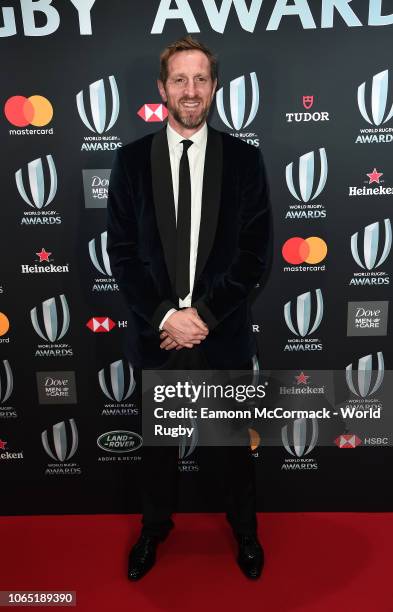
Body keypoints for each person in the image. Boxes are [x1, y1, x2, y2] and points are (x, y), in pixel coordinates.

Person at [106, 35, 272, 581]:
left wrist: (199, 317)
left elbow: (254, 255)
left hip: (218, 333)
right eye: (180, 79)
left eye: (201, 78)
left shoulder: (245, 161)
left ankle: (245, 530)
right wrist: (164, 318)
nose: (190, 89)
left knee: (229, 449)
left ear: (215, 87)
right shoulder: (130, 162)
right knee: (156, 449)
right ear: (162, 89)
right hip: (159, 337)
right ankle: (155, 528)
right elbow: (123, 254)